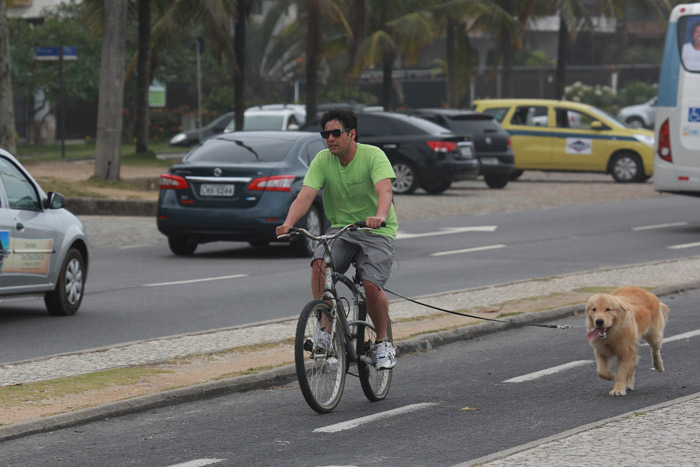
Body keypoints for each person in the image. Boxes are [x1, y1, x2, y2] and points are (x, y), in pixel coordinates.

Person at [276, 108, 399, 370]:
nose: (330, 138)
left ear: (351, 134)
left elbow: (384, 189)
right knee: (320, 266)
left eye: (336, 133)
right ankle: (324, 333)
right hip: (341, 229)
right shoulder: (322, 160)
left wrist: (378, 216)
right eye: (326, 134)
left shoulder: (373, 156)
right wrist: (289, 223)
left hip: (375, 230)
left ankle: (382, 342)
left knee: (370, 285)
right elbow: (306, 195)